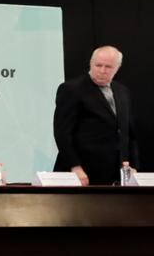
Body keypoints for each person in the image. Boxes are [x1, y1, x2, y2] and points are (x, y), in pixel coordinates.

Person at [54, 45, 139, 185]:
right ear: (90, 63)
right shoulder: (71, 89)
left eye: (108, 67)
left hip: (117, 175)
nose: (102, 71)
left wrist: (133, 166)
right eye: (98, 65)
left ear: (117, 68)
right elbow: (62, 133)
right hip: (82, 173)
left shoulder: (123, 91)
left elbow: (129, 133)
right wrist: (74, 166)